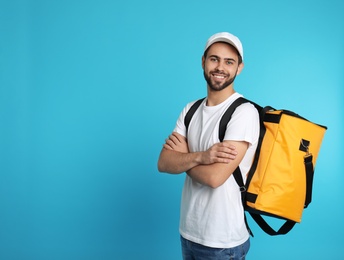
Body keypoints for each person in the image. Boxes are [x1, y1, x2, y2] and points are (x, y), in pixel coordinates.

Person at [157, 32, 259, 259]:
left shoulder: (244, 113)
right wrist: (201, 157)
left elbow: (215, 178)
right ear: (203, 62)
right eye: (214, 59)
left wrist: (182, 159)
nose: (220, 67)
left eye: (229, 61)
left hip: (222, 241)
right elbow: (163, 162)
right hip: (189, 232)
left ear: (239, 68)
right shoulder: (190, 110)